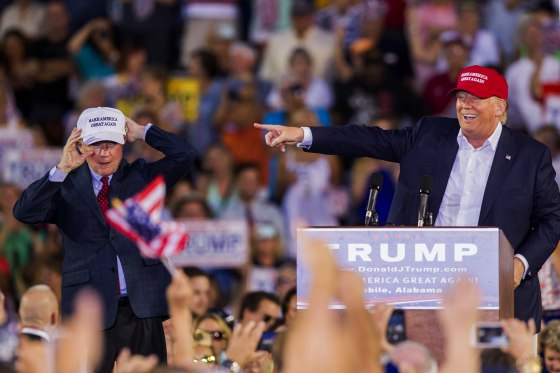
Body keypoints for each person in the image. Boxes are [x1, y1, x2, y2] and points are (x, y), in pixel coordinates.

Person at [255, 64, 560, 330]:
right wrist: (302, 135)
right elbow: (368, 139)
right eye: (461, 96)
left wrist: (520, 264)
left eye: (476, 98)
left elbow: (552, 218)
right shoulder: (429, 134)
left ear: (499, 106)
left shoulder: (529, 156)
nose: (465, 105)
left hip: (502, 291)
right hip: (431, 286)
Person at [13, 106, 197, 372]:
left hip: (142, 307)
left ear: (123, 143)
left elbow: (186, 154)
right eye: (95, 144)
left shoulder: (141, 176)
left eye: (111, 143)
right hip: (91, 312)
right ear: (80, 144)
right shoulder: (64, 184)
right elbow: (24, 212)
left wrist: (143, 131)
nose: (103, 152)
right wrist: (62, 168)